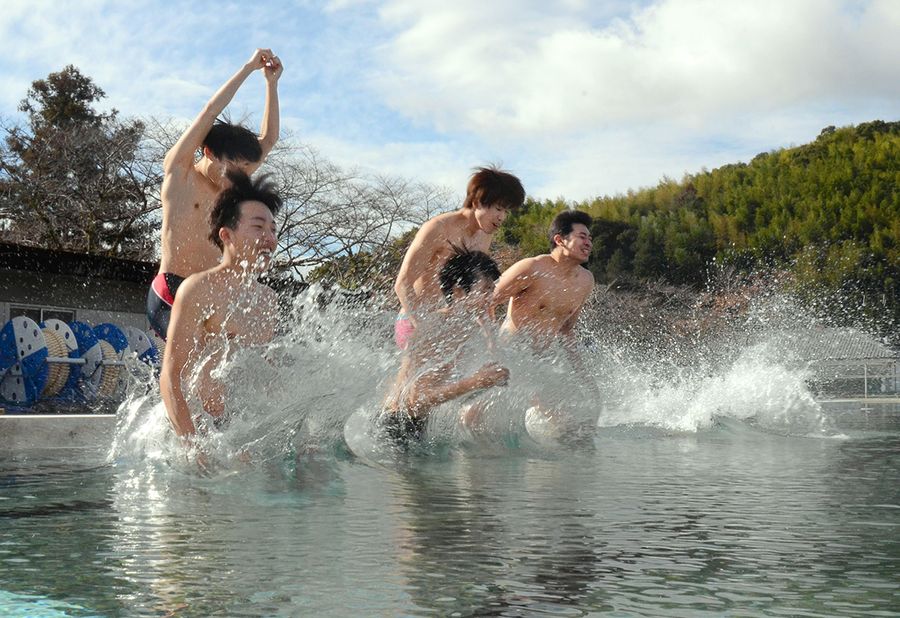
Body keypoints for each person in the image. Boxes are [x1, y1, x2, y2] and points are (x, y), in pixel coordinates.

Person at [148, 48, 283, 341]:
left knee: (229, 363)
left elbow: (269, 140)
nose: (239, 176)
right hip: (173, 287)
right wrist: (248, 68)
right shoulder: (180, 173)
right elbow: (210, 111)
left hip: (212, 294)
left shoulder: (234, 180)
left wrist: (271, 84)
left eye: (246, 169)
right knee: (195, 357)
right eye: (234, 166)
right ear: (208, 152)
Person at [160, 171, 282, 443]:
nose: (270, 239)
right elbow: (170, 376)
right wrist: (192, 448)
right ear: (226, 235)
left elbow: (266, 375)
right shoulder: (198, 289)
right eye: (259, 227)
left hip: (242, 429)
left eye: (273, 229)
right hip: (202, 428)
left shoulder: (267, 299)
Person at [381, 247, 510, 446]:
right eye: (485, 290)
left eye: (492, 291)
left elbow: (444, 387)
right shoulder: (436, 327)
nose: (491, 298)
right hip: (395, 427)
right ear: (458, 290)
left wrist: (488, 380)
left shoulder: (468, 328)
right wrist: (475, 382)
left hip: (419, 425)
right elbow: (414, 400)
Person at [491, 210, 597, 444]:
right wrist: (490, 347)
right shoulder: (532, 268)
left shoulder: (585, 280)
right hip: (512, 354)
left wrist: (581, 371)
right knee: (567, 427)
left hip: (543, 358)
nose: (589, 242)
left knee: (584, 421)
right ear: (560, 240)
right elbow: (487, 301)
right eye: (582, 236)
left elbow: (566, 329)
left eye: (590, 238)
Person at [392, 166, 524, 350]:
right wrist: (423, 327)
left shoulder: (484, 234)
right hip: (416, 319)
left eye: (507, 211)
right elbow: (403, 283)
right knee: (413, 379)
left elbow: (480, 287)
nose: (502, 217)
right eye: (499, 208)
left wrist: (491, 337)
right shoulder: (438, 228)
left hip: (451, 322)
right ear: (478, 202)